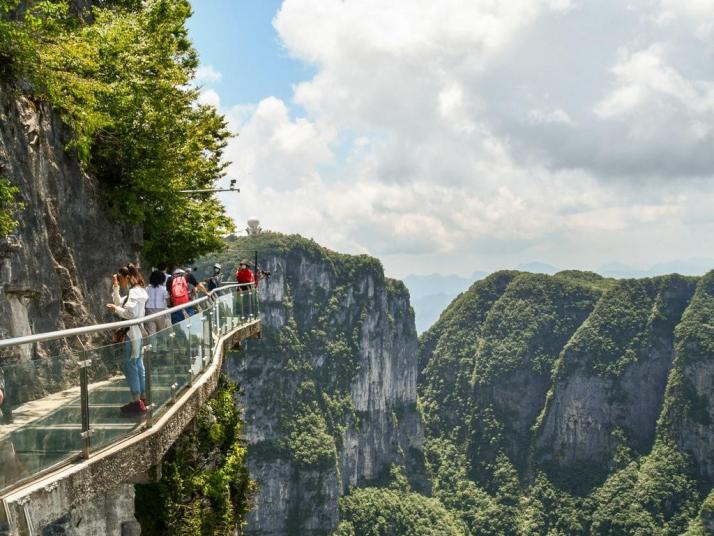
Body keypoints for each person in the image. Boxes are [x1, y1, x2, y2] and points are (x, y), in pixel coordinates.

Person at [107, 263, 149, 415]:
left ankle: (136, 402)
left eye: (120, 278)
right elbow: (121, 303)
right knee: (138, 365)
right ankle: (143, 399)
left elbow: (129, 313)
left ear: (127, 277)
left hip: (131, 335)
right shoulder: (139, 291)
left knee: (131, 366)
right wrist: (116, 287)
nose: (120, 280)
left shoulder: (134, 293)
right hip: (138, 333)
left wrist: (116, 310)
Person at [144, 269, 170, 336]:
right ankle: (163, 346)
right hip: (161, 312)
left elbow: (145, 300)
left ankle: (153, 346)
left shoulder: (147, 289)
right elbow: (168, 300)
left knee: (151, 335)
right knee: (162, 334)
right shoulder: (164, 289)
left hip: (149, 312)